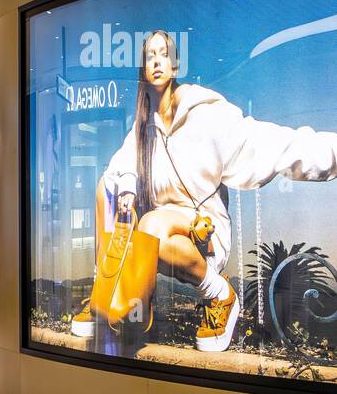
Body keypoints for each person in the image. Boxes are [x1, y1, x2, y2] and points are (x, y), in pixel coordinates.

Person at [72, 30, 337, 352]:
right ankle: (108, 287)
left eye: (163, 54)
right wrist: (127, 189)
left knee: (153, 223)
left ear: (175, 63)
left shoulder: (208, 115)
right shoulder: (144, 125)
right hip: (157, 228)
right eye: (149, 57)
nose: (156, 62)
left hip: (203, 229)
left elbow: (275, 145)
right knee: (108, 188)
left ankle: (220, 295)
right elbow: (123, 161)